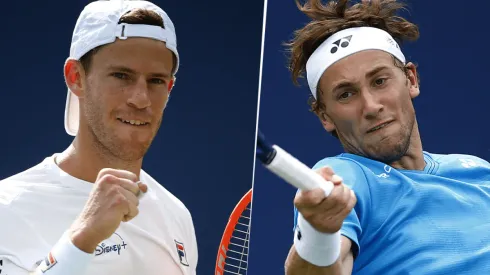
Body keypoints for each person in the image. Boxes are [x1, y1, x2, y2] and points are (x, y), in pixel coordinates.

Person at [283, 0, 490, 274]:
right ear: (325, 116)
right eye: (346, 94)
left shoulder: (478, 172)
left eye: (379, 81)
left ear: (411, 79)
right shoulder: (344, 179)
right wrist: (318, 232)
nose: (370, 106)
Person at [0, 1, 197, 274]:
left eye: (156, 81)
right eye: (121, 75)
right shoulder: (6, 208)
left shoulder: (177, 215)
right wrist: (82, 238)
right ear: (76, 77)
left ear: (169, 88)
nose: (140, 99)